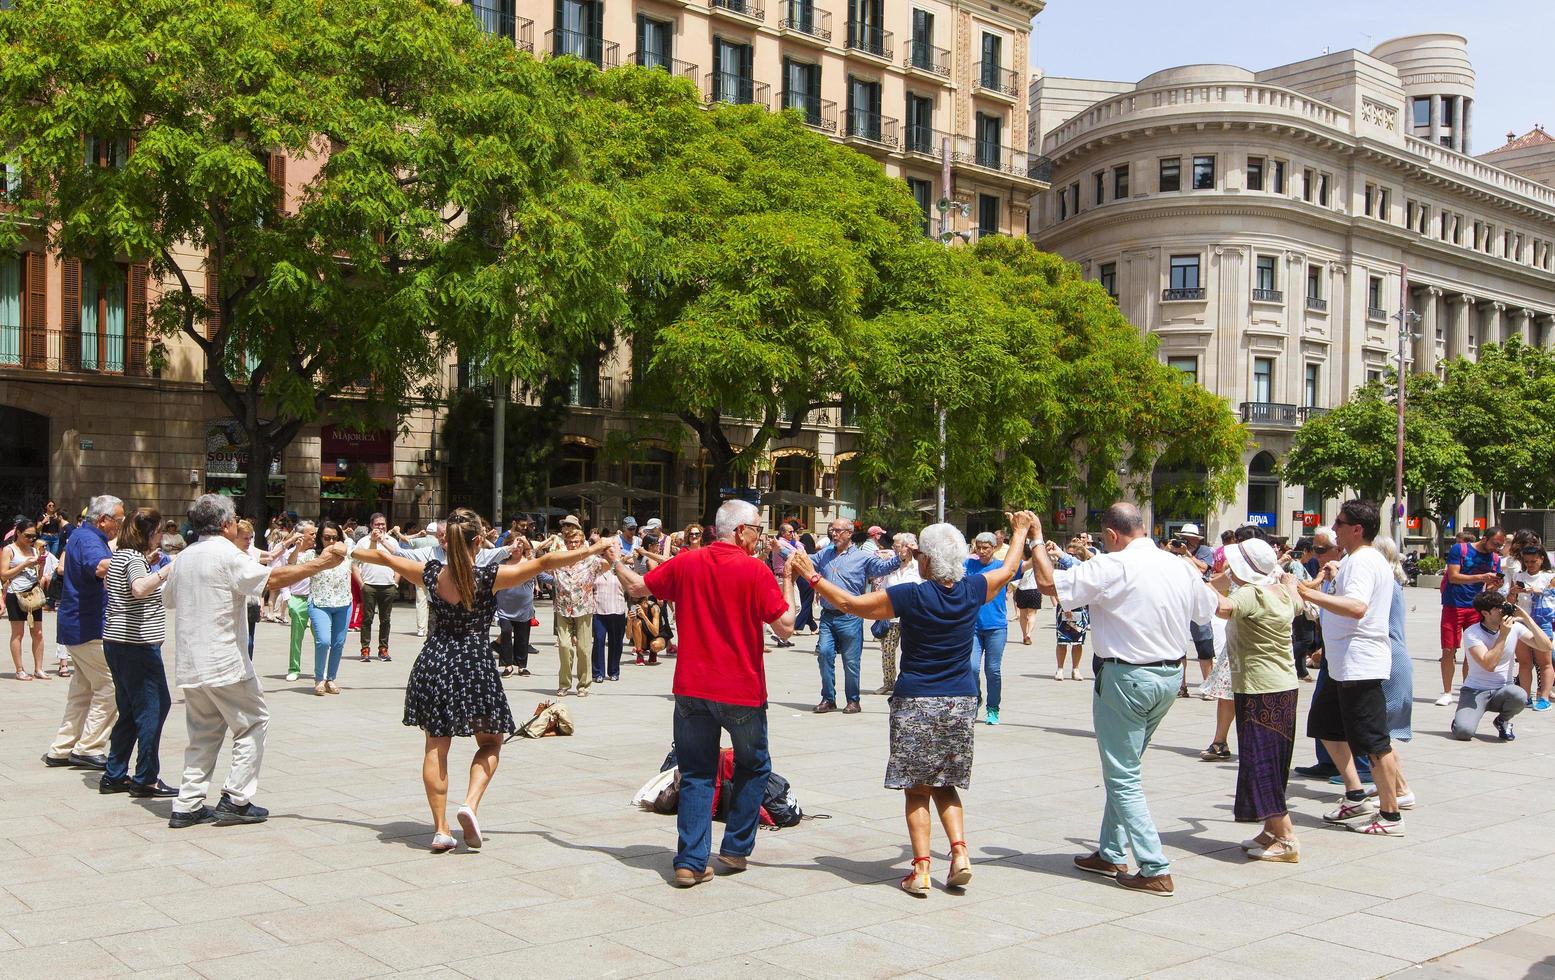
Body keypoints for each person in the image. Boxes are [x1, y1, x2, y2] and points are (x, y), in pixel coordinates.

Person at [793, 514, 1034, 893]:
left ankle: (921, 869)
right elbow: (1007, 570)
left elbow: (853, 604)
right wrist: (1020, 531)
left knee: (917, 789)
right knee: (946, 784)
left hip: (916, 701)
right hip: (959, 702)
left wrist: (813, 576)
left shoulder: (912, 595)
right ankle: (960, 854)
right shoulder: (972, 589)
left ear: (929, 560)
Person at [353, 509, 608, 851]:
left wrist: (346, 551)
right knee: (490, 742)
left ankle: (441, 829)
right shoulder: (488, 577)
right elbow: (547, 563)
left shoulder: (429, 573)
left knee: (435, 745)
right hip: (474, 662)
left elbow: (383, 557)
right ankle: (469, 804)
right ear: (478, 542)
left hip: (435, 660)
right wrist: (593, 548)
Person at [1029, 502, 1216, 897]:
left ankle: (1154, 866)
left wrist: (1034, 540)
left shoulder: (1112, 565)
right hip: (1168, 677)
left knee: (1123, 775)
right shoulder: (1179, 565)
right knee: (1125, 767)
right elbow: (1206, 611)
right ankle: (1111, 850)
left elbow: (1049, 587)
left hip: (1126, 676)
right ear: (1143, 527)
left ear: (1112, 535)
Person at [605, 500, 794, 886]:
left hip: (692, 687)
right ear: (740, 530)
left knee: (695, 773)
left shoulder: (688, 561)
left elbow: (638, 587)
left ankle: (690, 861)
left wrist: (615, 561)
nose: (760, 537)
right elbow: (786, 627)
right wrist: (790, 579)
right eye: (757, 528)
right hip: (741, 690)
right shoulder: (755, 570)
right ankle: (735, 848)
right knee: (754, 766)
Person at [163, 494, 348, 828]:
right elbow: (270, 580)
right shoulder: (227, 554)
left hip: (191, 662)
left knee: (203, 732)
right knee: (253, 722)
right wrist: (320, 563)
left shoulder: (185, 556)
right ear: (225, 524)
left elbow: (169, 598)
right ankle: (236, 798)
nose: (237, 521)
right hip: (223, 660)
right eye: (234, 517)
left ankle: (187, 804)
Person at [1292, 499, 1407, 837]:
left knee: (1373, 742)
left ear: (1357, 529)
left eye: (1340, 523)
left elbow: (1357, 607)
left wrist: (1306, 593)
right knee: (1325, 725)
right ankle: (1356, 794)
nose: (1334, 528)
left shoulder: (1362, 561)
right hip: (1342, 663)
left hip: (1360, 664)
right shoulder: (1354, 561)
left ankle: (1390, 815)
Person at [1205, 537, 1301, 862]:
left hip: (1260, 689)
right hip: (1283, 686)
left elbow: (1222, 608)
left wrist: (1191, 581)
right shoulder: (1281, 590)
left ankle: (1286, 838)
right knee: (1270, 760)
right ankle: (1271, 830)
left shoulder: (1251, 593)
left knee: (1261, 763)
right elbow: (1298, 600)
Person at [99, 507, 178, 798]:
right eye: (158, 533)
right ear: (146, 533)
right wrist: (165, 571)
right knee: (155, 707)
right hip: (137, 645)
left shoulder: (122, 556)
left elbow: (120, 582)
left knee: (130, 710)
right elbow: (138, 588)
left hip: (116, 642)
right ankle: (145, 777)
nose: (161, 538)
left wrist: (149, 563)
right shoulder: (134, 560)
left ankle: (114, 774)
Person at [45, 494, 125, 770]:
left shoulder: (81, 535)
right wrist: (132, 567)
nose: (120, 525)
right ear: (103, 520)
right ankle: (89, 747)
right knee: (111, 686)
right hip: (88, 626)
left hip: (77, 624)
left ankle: (62, 747)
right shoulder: (91, 539)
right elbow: (101, 566)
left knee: (82, 689)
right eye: (119, 520)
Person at [811, 518, 901, 714]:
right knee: (824, 654)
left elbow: (883, 567)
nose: (833, 534)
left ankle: (853, 700)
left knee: (851, 661)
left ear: (849, 533)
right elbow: (807, 561)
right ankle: (828, 699)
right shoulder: (825, 554)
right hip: (827, 616)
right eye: (831, 530)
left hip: (850, 616)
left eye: (838, 530)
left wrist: (902, 555)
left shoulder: (862, 557)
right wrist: (782, 550)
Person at [1451, 591, 1545, 741]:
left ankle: (1503, 720)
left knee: (1520, 695)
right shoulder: (1472, 633)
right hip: (1475, 691)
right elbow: (1489, 665)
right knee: (1464, 732)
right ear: (1485, 613)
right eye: (1498, 608)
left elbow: (1545, 646)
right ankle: (1462, 720)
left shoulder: (1514, 628)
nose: (1503, 610)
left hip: (1503, 689)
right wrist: (1503, 635)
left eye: (1503, 605)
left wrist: (1527, 619)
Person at [1438, 526, 1505, 706]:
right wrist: (1482, 576)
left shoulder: (1495, 558)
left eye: (1500, 545)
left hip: (1477, 608)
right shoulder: (1460, 549)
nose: (1496, 548)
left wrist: (1495, 585)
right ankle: (1447, 691)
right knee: (1448, 650)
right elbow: (1453, 576)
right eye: (1495, 543)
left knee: (1472, 652)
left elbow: (1489, 588)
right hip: (1454, 605)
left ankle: (1468, 689)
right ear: (1485, 538)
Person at [550, 519, 608, 697]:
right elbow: (538, 564)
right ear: (565, 544)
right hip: (562, 608)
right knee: (565, 647)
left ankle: (584, 685)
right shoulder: (558, 560)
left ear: (583, 543)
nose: (573, 545)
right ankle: (564, 683)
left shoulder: (591, 560)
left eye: (577, 542)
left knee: (583, 648)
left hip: (583, 608)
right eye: (570, 542)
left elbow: (609, 564)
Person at [965, 532, 1014, 725]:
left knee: (993, 670)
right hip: (973, 627)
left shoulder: (1000, 567)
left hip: (996, 627)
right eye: (979, 547)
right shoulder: (968, 565)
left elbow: (1022, 566)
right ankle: (975, 698)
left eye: (986, 548)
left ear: (994, 548)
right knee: (971, 667)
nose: (982, 551)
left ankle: (993, 708)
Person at [305, 521, 354, 696]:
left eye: (335, 537)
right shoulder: (312, 555)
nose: (331, 541)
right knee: (324, 641)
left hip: (343, 603)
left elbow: (364, 553)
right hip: (320, 603)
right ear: (320, 538)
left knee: (338, 644)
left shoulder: (346, 555)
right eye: (327, 537)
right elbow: (293, 564)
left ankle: (331, 678)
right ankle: (319, 679)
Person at [4, 517, 53, 680]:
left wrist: (40, 564)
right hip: (16, 594)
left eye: (34, 536)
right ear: (17, 533)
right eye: (27, 536)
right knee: (18, 633)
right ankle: (19, 669)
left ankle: (38, 668)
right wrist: (23, 565)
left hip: (33, 594)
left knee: (38, 632)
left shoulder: (34, 550)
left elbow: (37, 577)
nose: (31, 539)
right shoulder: (9, 550)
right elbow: (3, 574)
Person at [873, 533, 921, 696]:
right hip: (891, 616)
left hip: (913, 618)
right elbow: (884, 590)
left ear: (907, 547)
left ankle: (911, 682)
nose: (894, 549)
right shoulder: (890, 567)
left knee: (913, 651)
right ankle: (888, 683)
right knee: (887, 651)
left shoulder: (919, 567)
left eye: (897, 546)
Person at [1508, 543, 1555, 711]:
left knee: (1545, 662)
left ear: (1542, 559)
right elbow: (1511, 601)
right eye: (1527, 561)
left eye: (1533, 561)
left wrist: (1536, 590)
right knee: (1524, 662)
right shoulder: (1519, 576)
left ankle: (1543, 697)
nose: (1530, 564)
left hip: (1542, 621)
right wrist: (1513, 592)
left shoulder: (1549, 577)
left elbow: (1552, 595)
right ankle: (1525, 696)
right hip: (1521, 621)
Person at [494, 538, 543, 678]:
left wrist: (526, 544)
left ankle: (521, 666)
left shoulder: (528, 563)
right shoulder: (501, 563)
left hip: (524, 609)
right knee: (506, 632)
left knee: (522, 637)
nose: (517, 549)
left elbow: (539, 568)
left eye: (521, 546)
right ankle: (507, 665)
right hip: (504, 608)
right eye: (515, 546)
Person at [356, 512, 398, 663]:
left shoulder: (392, 541)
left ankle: (383, 649)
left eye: (382, 524)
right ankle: (365, 649)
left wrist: (396, 582)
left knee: (385, 619)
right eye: (377, 524)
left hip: (388, 585)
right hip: (369, 585)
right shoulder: (363, 542)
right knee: (367, 619)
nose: (380, 527)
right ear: (371, 525)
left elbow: (399, 562)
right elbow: (355, 564)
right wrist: (362, 584)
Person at [280, 521, 317, 682]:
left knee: (321, 637)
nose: (315, 536)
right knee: (296, 636)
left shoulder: (318, 553)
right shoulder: (289, 554)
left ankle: (320, 668)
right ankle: (294, 668)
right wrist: (288, 599)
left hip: (316, 599)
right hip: (297, 598)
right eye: (312, 534)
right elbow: (283, 576)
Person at [1051, 538, 1091, 681]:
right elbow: (1055, 588)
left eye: (1073, 555)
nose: (1068, 557)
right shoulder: (1060, 570)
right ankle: (1060, 668)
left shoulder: (1084, 570)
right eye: (1068, 554)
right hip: (1063, 607)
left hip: (1080, 607)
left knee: (1078, 641)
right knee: (1062, 640)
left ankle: (1076, 669)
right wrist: (1064, 604)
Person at [591, 551, 629, 683]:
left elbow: (631, 588)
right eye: (602, 556)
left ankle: (614, 671)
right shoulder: (594, 571)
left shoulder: (621, 571)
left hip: (617, 611)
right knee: (598, 641)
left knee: (616, 642)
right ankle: (597, 673)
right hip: (598, 611)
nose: (603, 559)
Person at [1014, 537, 1043, 645]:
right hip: (1034, 590)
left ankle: (1024, 634)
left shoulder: (1020, 564)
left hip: (1022, 590)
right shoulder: (1036, 563)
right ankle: (1029, 634)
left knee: (1023, 615)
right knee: (1032, 614)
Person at [628, 594, 671, 666]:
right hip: (645, 638)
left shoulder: (654, 608)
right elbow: (628, 636)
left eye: (639, 605)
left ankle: (653, 651)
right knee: (636, 623)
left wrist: (644, 617)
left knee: (655, 645)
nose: (637, 607)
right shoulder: (633, 609)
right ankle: (640, 654)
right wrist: (629, 622)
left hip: (658, 636)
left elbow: (655, 633)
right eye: (636, 605)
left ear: (646, 602)